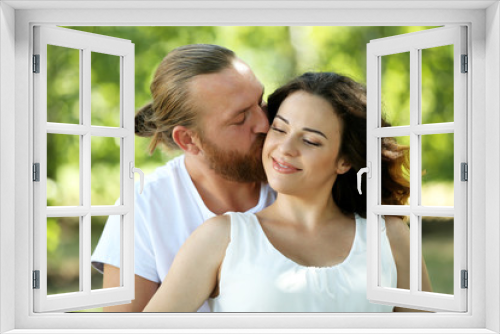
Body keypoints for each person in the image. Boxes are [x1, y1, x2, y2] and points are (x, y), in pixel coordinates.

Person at [142, 72, 432, 313]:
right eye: (279, 129)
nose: (285, 148)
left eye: (310, 140)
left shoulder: (389, 237)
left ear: (344, 160)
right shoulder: (221, 237)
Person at [91, 44, 276, 312]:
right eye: (240, 118)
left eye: (260, 101)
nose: (265, 124)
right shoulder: (143, 205)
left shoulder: (297, 180)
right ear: (188, 140)